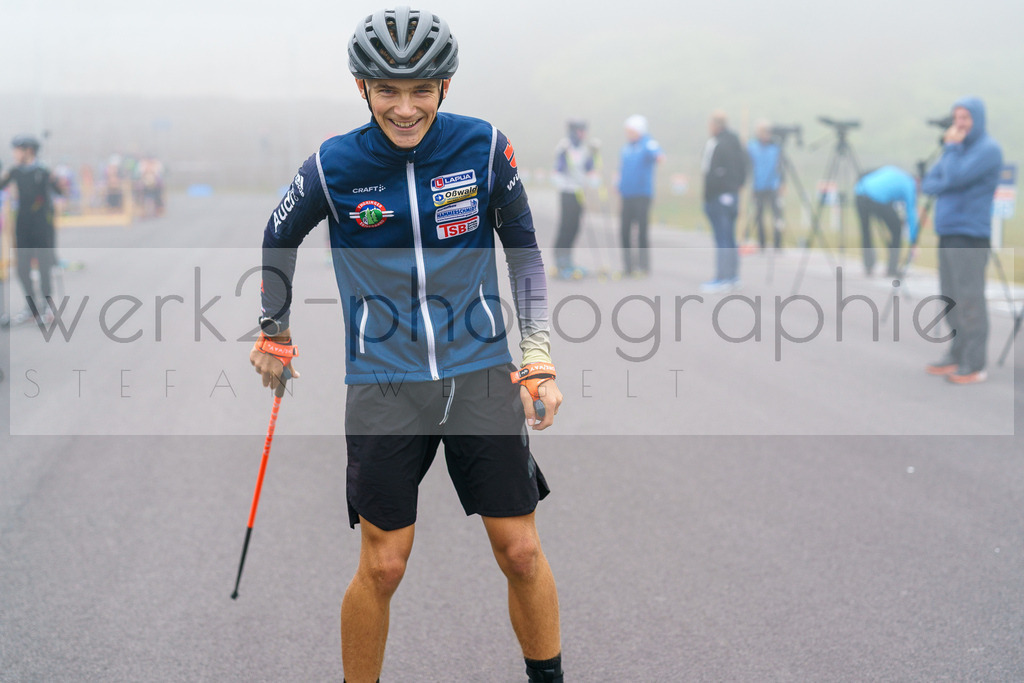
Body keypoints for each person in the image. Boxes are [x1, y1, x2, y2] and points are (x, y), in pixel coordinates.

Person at [248, 8, 564, 683]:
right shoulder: (334, 165)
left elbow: (524, 252)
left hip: (480, 373)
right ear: (362, 86)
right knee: (383, 563)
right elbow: (278, 235)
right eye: (387, 90)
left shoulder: (483, 147)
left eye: (421, 89)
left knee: (521, 551)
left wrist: (537, 354)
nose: (404, 107)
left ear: (444, 86)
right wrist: (274, 331)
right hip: (383, 381)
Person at [920, 96, 1003, 385]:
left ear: (977, 119)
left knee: (970, 300)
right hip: (948, 231)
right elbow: (929, 183)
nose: (959, 124)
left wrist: (951, 150)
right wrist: (948, 176)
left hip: (970, 234)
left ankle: (974, 362)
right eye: (956, 118)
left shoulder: (987, 150)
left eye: (965, 118)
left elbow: (954, 177)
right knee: (950, 298)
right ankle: (956, 352)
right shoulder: (955, 152)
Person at [0, 135, 64, 327]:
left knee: (44, 269)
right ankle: (32, 307)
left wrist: (55, 179)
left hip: (42, 227)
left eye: (17, 150)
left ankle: (47, 307)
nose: (14, 154)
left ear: (28, 151)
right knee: (21, 270)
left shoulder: (43, 171)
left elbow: (59, 192)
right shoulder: (15, 172)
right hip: (23, 226)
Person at [700, 111, 747, 293]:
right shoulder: (736, 143)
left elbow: (713, 172)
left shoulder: (719, 144)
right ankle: (733, 276)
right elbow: (745, 166)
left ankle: (723, 277)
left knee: (723, 237)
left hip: (719, 196)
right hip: (731, 195)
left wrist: (711, 195)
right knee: (729, 236)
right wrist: (738, 186)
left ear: (715, 125)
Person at [551, 118, 600, 279]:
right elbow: (558, 169)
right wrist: (561, 181)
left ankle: (568, 261)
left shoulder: (584, 149)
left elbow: (589, 167)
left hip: (580, 193)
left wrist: (594, 173)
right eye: (580, 131)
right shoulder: (565, 147)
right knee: (566, 226)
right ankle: (560, 262)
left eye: (584, 131)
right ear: (573, 131)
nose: (583, 134)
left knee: (575, 227)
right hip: (567, 192)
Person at [617, 114, 664, 277]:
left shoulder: (647, 143)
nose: (628, 133)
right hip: (627, 195)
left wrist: (657, 156)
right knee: (624, 230)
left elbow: (658, 155)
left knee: (642, 231)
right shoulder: (626, 148)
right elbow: (623, 169)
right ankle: (628, 266)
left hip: (642, 195)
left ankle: (643, 265)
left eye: (630, 130)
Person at [854, 166, 918, 277]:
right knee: (897, 229)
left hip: (859, 191)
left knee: (865, 231)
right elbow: (911, 213)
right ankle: (892, 268)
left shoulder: (895, 172)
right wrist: (914, 241)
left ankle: (868, 265)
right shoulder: (910, 183)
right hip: (877, 198)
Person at [746, 120, 783, 251]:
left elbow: (781, 166)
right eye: (763, 132)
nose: (765, 135)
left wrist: (782, 183)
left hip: (773, 186)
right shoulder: (752, 147)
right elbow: (748, 166)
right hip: (758, 186)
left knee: (777, 216)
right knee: (759, 216)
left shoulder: (776, 148)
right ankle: (762, 243)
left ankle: (778, 243)